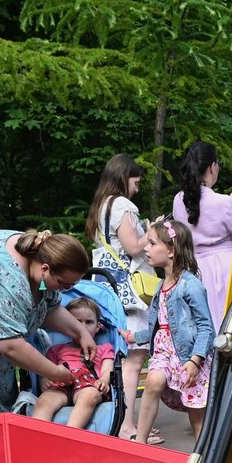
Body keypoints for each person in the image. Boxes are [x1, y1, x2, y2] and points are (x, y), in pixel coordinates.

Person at [0, 229, 91, 418]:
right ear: (45, 269)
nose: (66, 290)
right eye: (64, 284)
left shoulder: (40, 254)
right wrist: (57, 373)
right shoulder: (8, 280)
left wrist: (81, 332)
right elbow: (10, 346)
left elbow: (48, 308)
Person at [123, 217, 213, 443]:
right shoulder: (161, 285)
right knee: (153, 381)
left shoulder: (190, 285)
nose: (146, 248)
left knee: (197, 417)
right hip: (164, 353)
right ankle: (140, 442)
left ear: (171, 250)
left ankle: (203, 458)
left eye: (152, 243)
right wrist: (134, 337)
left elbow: (206, 327)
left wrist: (194, 360)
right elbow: (158, 326)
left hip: (188, 356)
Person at [86, 154, 152, 439]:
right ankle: (127, 426)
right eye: (135, 182)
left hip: (106, 286)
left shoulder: (100, 206)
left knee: (117, 358)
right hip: (129, 290)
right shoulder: (122, 205)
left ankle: (118, 421)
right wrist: (152, 230)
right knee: (134, 359)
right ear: (125, 178)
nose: (136, 188)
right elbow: (134, 247)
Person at [172, 140, 232, 325]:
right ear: (212, 167)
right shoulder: (223, 203)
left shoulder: (178, 200)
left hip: (192, 268)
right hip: (222, 269)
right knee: (224, 322)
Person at [31, 296, 115, 428]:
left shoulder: (104, 348)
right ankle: (39, 437)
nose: (83, 326)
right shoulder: (56, 350)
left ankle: (70, 434)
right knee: (44, 401)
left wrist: (104, 380)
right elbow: (45, 370)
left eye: (89, 322)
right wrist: (44, 380)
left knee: (90, 396)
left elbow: (108, 368)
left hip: (89, 385)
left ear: (98, 326)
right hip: (60, 385)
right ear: (67, 326)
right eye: (77, 322)